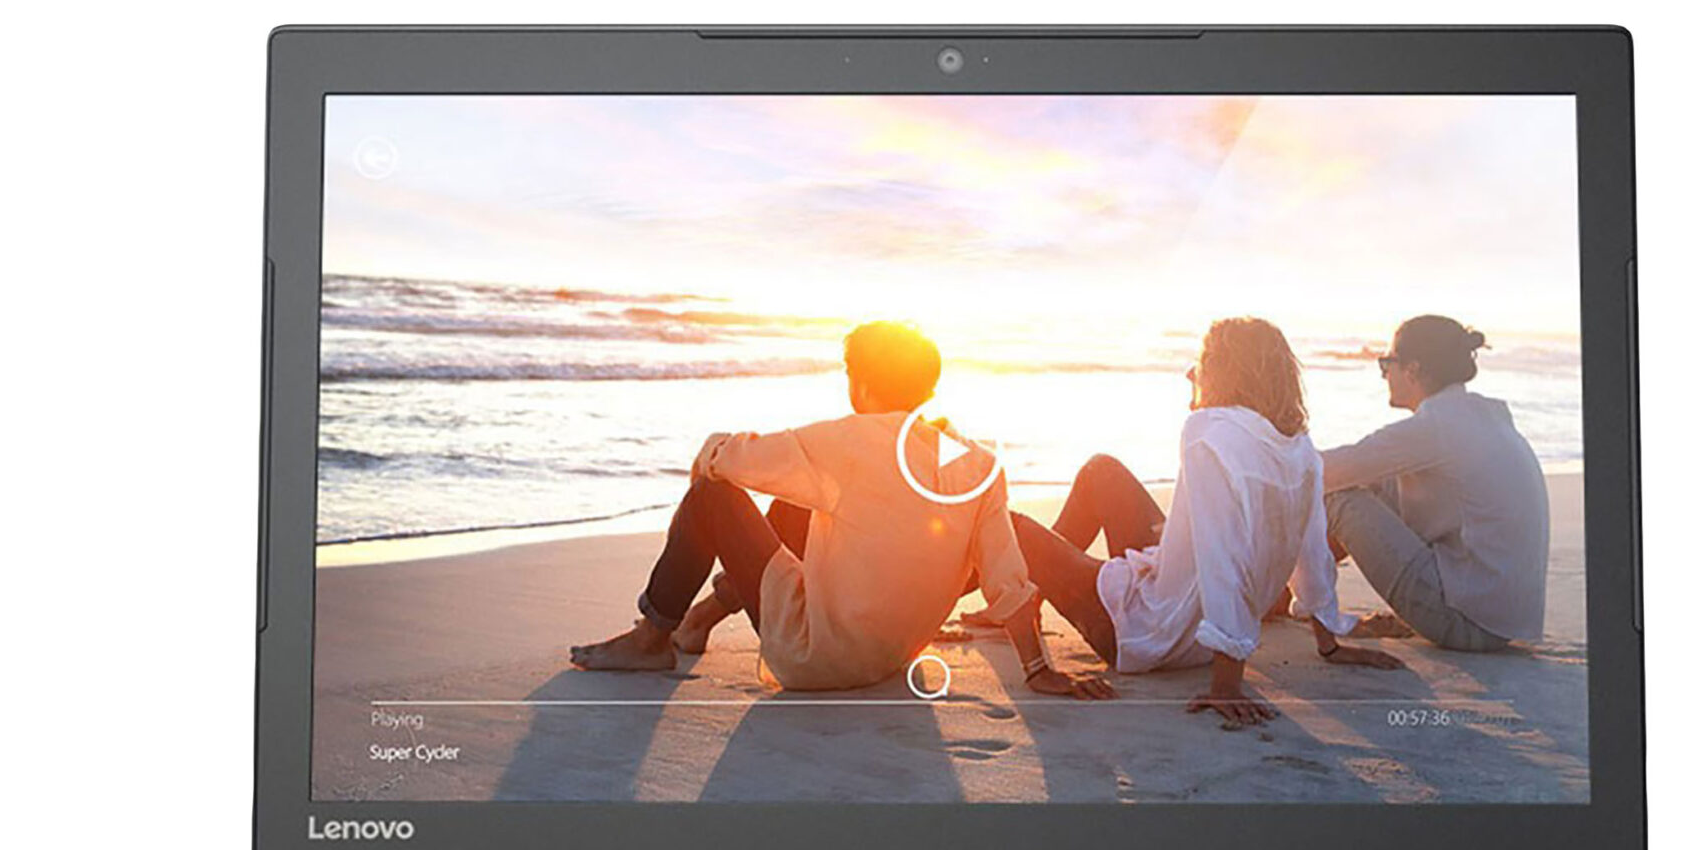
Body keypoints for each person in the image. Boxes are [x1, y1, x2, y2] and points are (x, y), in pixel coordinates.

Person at [569, 320, 1115, 700]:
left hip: (814, 657)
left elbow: (733, 461)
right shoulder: (979, 463)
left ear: (862, 383)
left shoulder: (845, 441)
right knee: (798, 504)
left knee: (713, 498)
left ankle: (653, 635)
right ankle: (699, 620)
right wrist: (1038, 669)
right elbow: (1007, 578)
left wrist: (707, 458)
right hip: (894, 653)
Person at [1003, 317, 1402, 731]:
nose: (1191, 372)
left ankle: (1016, 610)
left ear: (1226, 370)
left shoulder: (1208, 432)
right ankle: (1024, 596)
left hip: (1145, 636)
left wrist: (1226, 684)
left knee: (1009, 526)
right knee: (1102, 472)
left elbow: (1221, 555)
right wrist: (1329, 643)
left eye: (1204, 359)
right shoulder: (1299, 447)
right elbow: (1312, 552)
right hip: (1199, 634)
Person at [1320, 315, 1549, 651]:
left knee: (1338, 496)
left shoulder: (1437, 425)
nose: (1384, 374)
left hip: (1468, 622)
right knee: (1373, 481)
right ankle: (1291, 597)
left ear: (1412, 369)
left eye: (1387, 363)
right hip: (1501, 618)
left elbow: (1323, 471)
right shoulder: (1480, 416)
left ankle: (1296, 603)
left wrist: (1263, 456)